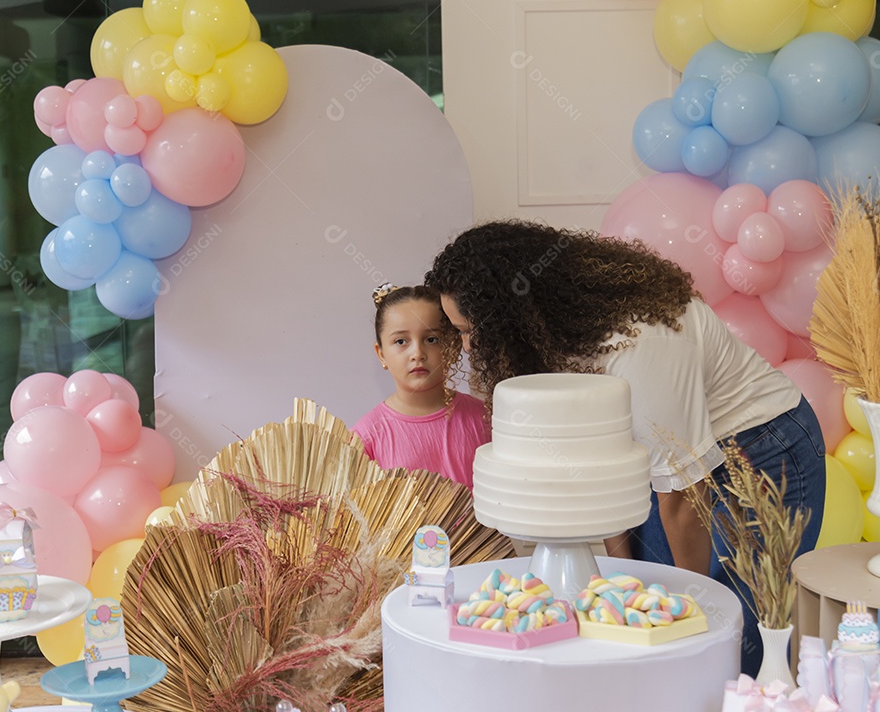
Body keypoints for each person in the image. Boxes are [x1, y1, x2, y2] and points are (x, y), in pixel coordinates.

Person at [425, 220, 825, 675]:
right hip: (679, 468)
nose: (468, 345)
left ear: (510, 316)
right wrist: (625, 582)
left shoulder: (640, 341)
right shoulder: (554, 339)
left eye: (469, 330)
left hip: (765, 447)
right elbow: (604, 466)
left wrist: (681, 623)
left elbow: (683, 501)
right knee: (641, 598)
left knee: (736, 637)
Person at [351, 283, 491, 488]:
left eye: (432, 339)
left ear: (452, 346)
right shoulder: (364, 439)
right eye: (401, 341)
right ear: (381, 354)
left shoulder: (485, 420)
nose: (417, 353)